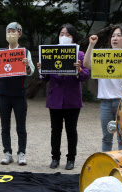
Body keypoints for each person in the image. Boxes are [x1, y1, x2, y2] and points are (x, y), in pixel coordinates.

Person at [0, 23, 35, 165]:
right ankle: (7, 152)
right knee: (5, 126)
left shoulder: (25, 52)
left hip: (19, 95)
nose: (10, 34)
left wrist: (27, 65)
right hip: (3, 94)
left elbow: (31, 71)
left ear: (19, 34)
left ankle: (21, 153)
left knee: (21, 126)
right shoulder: (0, 51)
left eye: (13, 31)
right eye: (8, 31)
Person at [37, 24, 89, 170]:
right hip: (55, 99)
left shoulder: (80, 55)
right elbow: (44, 78)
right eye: (61, 34)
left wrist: (78, 69)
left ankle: (71, 159)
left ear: (73, 37)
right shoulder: (50, 52)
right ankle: (55, 157)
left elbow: (85, 76)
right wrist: (41, 70)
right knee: (55, 130)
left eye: (68, 34)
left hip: (72, 99)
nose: (64, 37)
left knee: (71, 130)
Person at [83, 25, 122, 152]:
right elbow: (86, 64)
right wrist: (91, 45)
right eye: (113, 36)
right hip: (105, 102)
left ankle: (121, 166)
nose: (115, 38)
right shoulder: (103, 56)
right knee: (106, 137)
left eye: (119, 35)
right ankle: (107, 163)